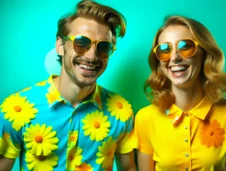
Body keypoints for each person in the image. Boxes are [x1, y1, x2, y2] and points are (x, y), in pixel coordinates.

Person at [0, 0, 136, 170]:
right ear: (60, 46)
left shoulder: (121, 112)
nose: (92, 56)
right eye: (81, 43)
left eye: (103, 47)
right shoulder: (16, 108)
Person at [132, 15, 226, 171]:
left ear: (205, 53)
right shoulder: (145, 119)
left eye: (185, 46)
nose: (174, 57)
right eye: (165, 49)